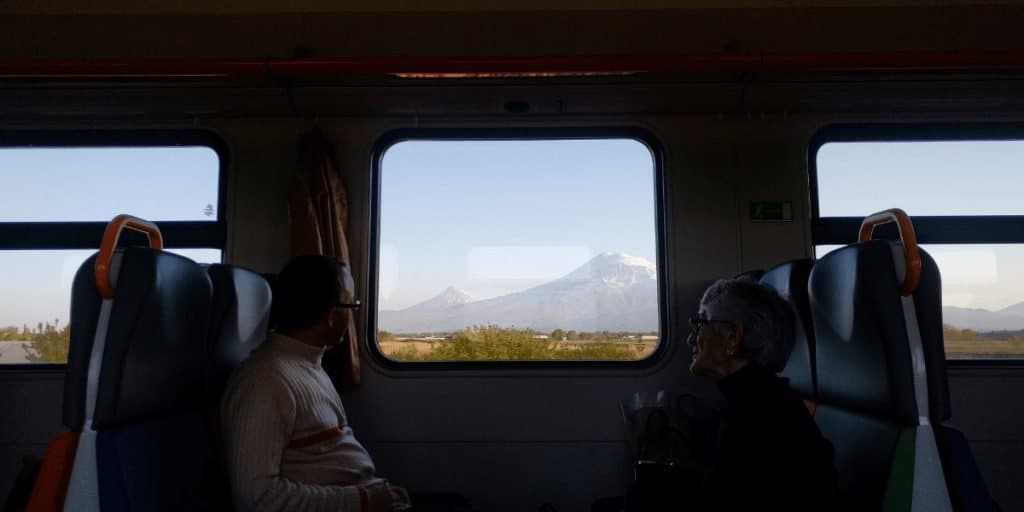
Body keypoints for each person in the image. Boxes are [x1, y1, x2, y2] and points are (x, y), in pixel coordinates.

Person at [221, 255, 410, 512]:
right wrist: (363, 501)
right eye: (352, 306)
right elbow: (256, 499)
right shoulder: (264, 382)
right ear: (332, 315)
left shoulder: (307, 365)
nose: (353, 316)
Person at [686, 278, 837, 511]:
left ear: (732, 337)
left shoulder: (757, 414)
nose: (691, 339)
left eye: (700, 323)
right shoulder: (758, 398)